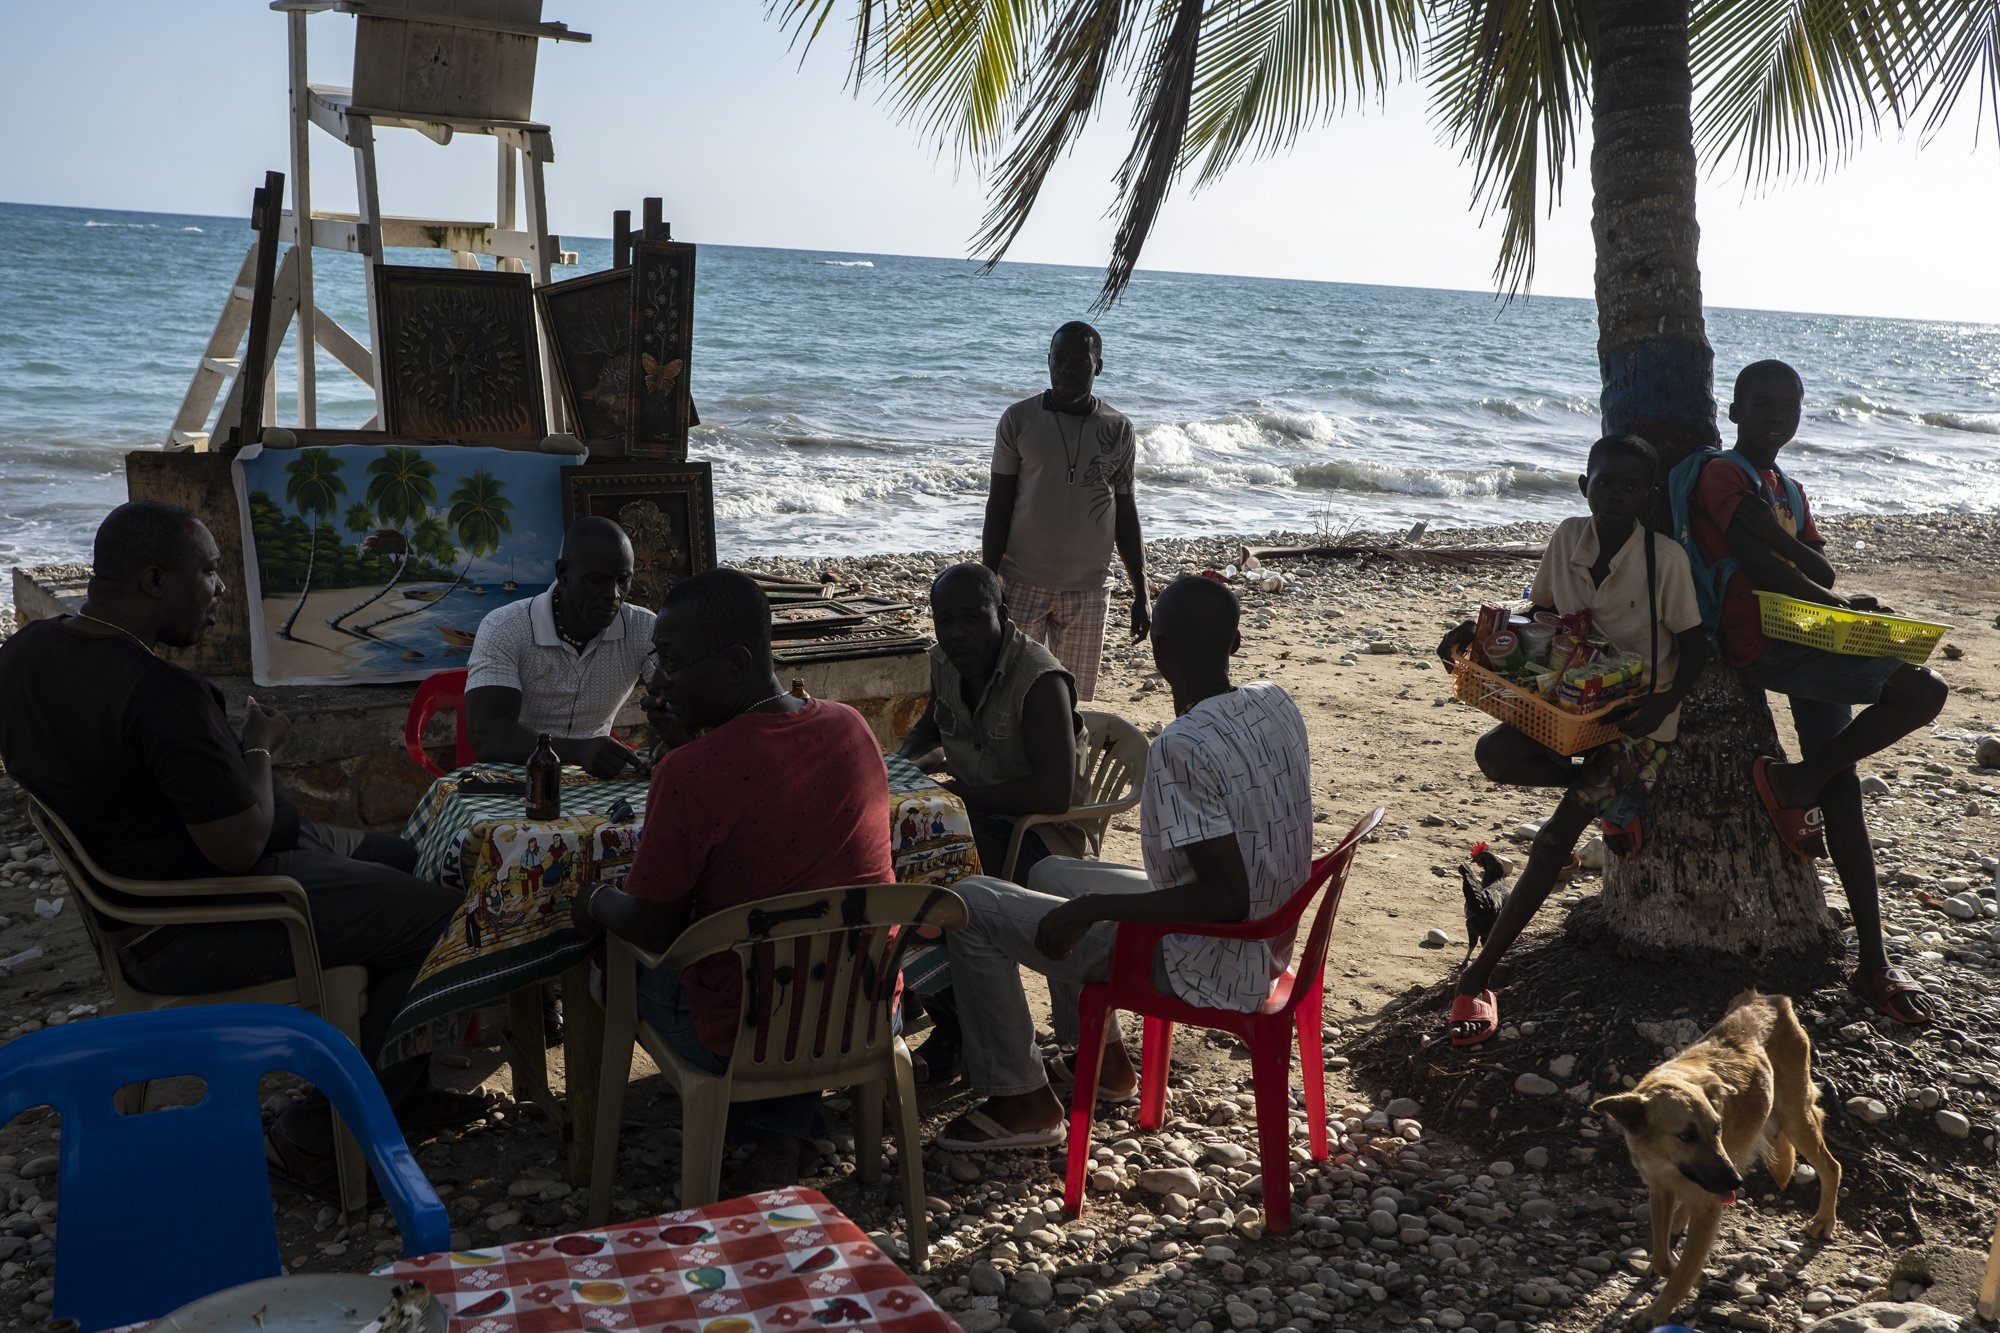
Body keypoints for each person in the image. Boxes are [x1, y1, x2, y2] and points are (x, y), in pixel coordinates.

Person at [0, 501, 477, 1188]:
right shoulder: (161, 694)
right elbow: (240, 846)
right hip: (200, 914)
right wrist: (257, 746)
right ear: (156, 581)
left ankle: (395, 1090)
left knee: (406, 859)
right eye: (210, 570)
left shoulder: (27, 650)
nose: (220, 588)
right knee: (444, 918)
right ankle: (313, 1138)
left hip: (153, 882)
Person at [933, 575, 1312, 1148]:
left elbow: (1225, 898)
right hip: (1269, 935)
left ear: (1157, 650)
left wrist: (1095, 908)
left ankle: (1021, 1099)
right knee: (1045, 874)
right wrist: (1087, 903)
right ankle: (1104, 1063)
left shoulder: (1181, 745)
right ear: (1235, 644)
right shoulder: (1276, 701)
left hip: (1210, 961)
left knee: (970, 903)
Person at [570, 569, 895, 1188]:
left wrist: (593, 901)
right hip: (863, 1008)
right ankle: (788, 1129)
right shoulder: (851, 726)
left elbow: (653, 926)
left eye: (674, 662)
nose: (661, 680)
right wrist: (693, 741)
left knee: (607, 959)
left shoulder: (691, 774)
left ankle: (592, 1145)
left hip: (739, 1030)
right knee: (776, 956)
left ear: (736, 664)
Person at [1689, 360, 1948, 1024]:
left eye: (1791, 403)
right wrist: (1825, 584)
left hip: (1807, 632)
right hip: (1765, 643)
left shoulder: (1788, 487)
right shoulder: (1723, 473)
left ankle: (1873, 962)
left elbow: (1803, 562)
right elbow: (1759, 563)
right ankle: (1797, 784)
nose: (1778, 413)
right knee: (1921, 692)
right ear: (1736, 410)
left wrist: (1837, 595)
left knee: (1846, 788)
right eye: (1764, 402)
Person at [1435, 435, 1708, 1046]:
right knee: (1494, 754)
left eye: (1629, 486)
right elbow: (1542, 619)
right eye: (1603, 482)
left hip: (1637, 722)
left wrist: (1663, 703)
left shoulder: (1664, 558)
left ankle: (1477, 978)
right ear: (1584, 485)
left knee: (1557, 837)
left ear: (1647, 496)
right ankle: (1618, 801)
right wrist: (1476, 634)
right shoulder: (1566, 538)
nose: (1614, 493)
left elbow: (1695, 648)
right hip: (1570, 705)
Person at [896, 561, 1093, 1082]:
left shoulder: (1039, 678)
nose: (956, 633)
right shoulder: (945, 662)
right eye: (945, 620)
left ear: (1001, 615)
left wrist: (961, 796)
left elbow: (1052, 792)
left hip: (1042, 836)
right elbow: (928, 729)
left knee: (928, 877)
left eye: (970, 619)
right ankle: (942, 1007)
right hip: (977, 816)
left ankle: (964, 1027)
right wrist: (899, 766)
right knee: (890, 855)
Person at [982, 321, 1149, 701]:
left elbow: (1125, 512)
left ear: (1099, 366)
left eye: (1080, 361)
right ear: (1048, 361)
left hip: (1088, 589)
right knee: (1009, 695)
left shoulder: (1119, 429)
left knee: (1072, 703)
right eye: (1059, 359)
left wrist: (1142, 590)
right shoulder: (1018, 420)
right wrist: (990, 580)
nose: (1068, 369)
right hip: (1020, 582)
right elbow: (999, 504)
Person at [466, 515, 652, 778]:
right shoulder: (505, 628)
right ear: (563, 574)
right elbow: (488, 736)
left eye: (623, 580)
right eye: (597, 580)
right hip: (513, 781)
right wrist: (578, 752)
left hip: (595, 783)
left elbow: (681, 700)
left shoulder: (643, 629)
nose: (613, 594)